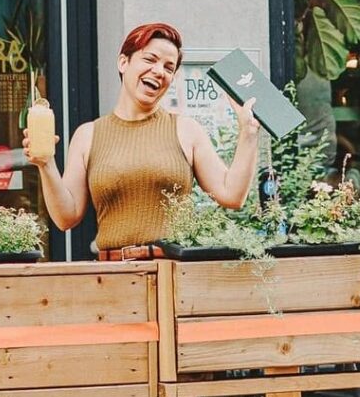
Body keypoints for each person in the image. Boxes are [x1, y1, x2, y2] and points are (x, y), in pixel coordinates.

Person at [23, 22, 261, 258]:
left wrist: (248, 132)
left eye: (169, 67)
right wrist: (46, 163)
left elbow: (232, 195)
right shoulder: (88, 135)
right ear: (123, 62)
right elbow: (66, 217)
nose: (159, 71)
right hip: (113, 277)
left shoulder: (186, 130)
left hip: (174, 274)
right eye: (150, 59)